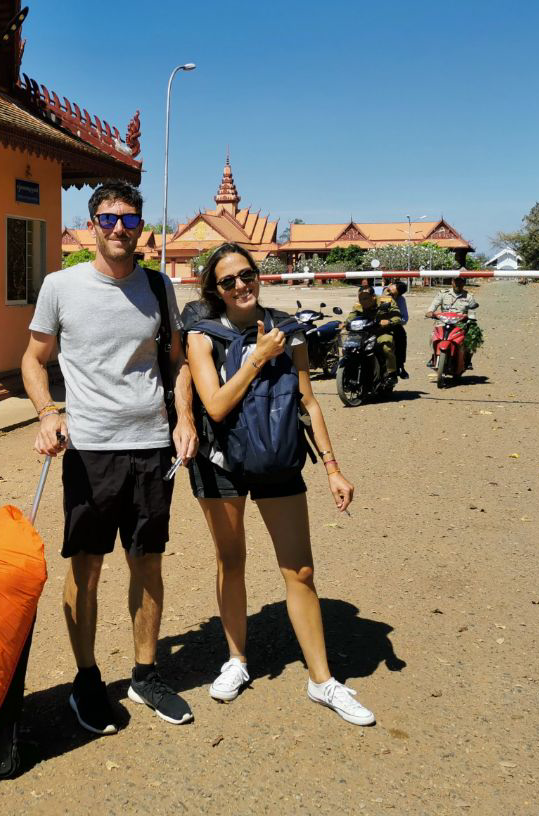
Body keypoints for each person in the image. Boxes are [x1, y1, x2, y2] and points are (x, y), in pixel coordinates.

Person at [21, 180, 198, 736]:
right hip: (91, 450)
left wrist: (185, 419)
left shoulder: (158, 286)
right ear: (92, 224)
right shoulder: (61, 286)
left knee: (148, 562)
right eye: (108, 219)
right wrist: (48, 411)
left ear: (141, 226)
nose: (120, 229)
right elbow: (32, 359)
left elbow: (177, 362)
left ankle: (145, 675)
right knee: (88, 566)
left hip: (150, 446)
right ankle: (87, 679)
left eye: (129, 219)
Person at [181, 243, 375, 725]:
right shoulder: (202, 336)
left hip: (278, 457)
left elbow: (308, 403)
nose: (241, 285)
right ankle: (237, 659)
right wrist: (257, 356)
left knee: (301, 570)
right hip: (220, 460)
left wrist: (332, 466)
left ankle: (322, 680)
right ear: (216, 290)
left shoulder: (290, 330)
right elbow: (217, 406)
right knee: (231, 558)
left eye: (247, 275)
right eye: (229, 281)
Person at [343, 287, 402, 380]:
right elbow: (352, 316)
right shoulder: (358, 304)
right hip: (363, 332)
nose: (362, 301)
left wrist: (389, 321)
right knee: (348, 347)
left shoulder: (386, 301)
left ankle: (391, 373)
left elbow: (397, 315)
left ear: (373, 296)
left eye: (365, 298)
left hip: (381, 331)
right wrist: (345, 323)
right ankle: (349, 370)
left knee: (386, 346)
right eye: (360, 298)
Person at [425, 277, 481, 369]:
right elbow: (433, 305)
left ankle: (467, 359)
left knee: (472, 338)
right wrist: (430, 312)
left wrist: (471, 319)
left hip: (460, 323)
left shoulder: (469, 296)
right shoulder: (443, 294)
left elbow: (472, 311)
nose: (458, 284)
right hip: (443, 322)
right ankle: (433, 356)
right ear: (452, 282)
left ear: (464, 283)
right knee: (433, 336)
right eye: (456, 281)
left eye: (461, 281)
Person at [383, 280, 410, 378]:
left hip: (391, 324)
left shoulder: (400, 300)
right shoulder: (376, 292)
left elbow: (404, 318)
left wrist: (393, 321)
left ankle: (400, 365)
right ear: (390, 284)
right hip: (374, 322)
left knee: (401, 335)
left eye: (394, 294)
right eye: (390, 290)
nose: (389, 294)